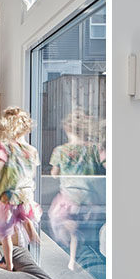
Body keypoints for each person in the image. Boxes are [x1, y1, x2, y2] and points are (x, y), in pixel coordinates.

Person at [0, 107, 40, 271]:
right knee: (22, 213)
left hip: (8, 198)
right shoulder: (32, 151)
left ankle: (9, 264)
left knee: (5, 234)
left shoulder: (4, 147)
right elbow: (31, 173)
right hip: (26, 196)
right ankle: (28, 224)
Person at [49, 108, 106, 270]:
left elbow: (54, 173)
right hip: (89, 199)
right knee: (78, 230)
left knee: (56, 218)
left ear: (67, 129)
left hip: (69, 198)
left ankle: (70, 228)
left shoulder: (60, 151)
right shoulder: (94, 149)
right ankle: (73, 260)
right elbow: (106, 165)